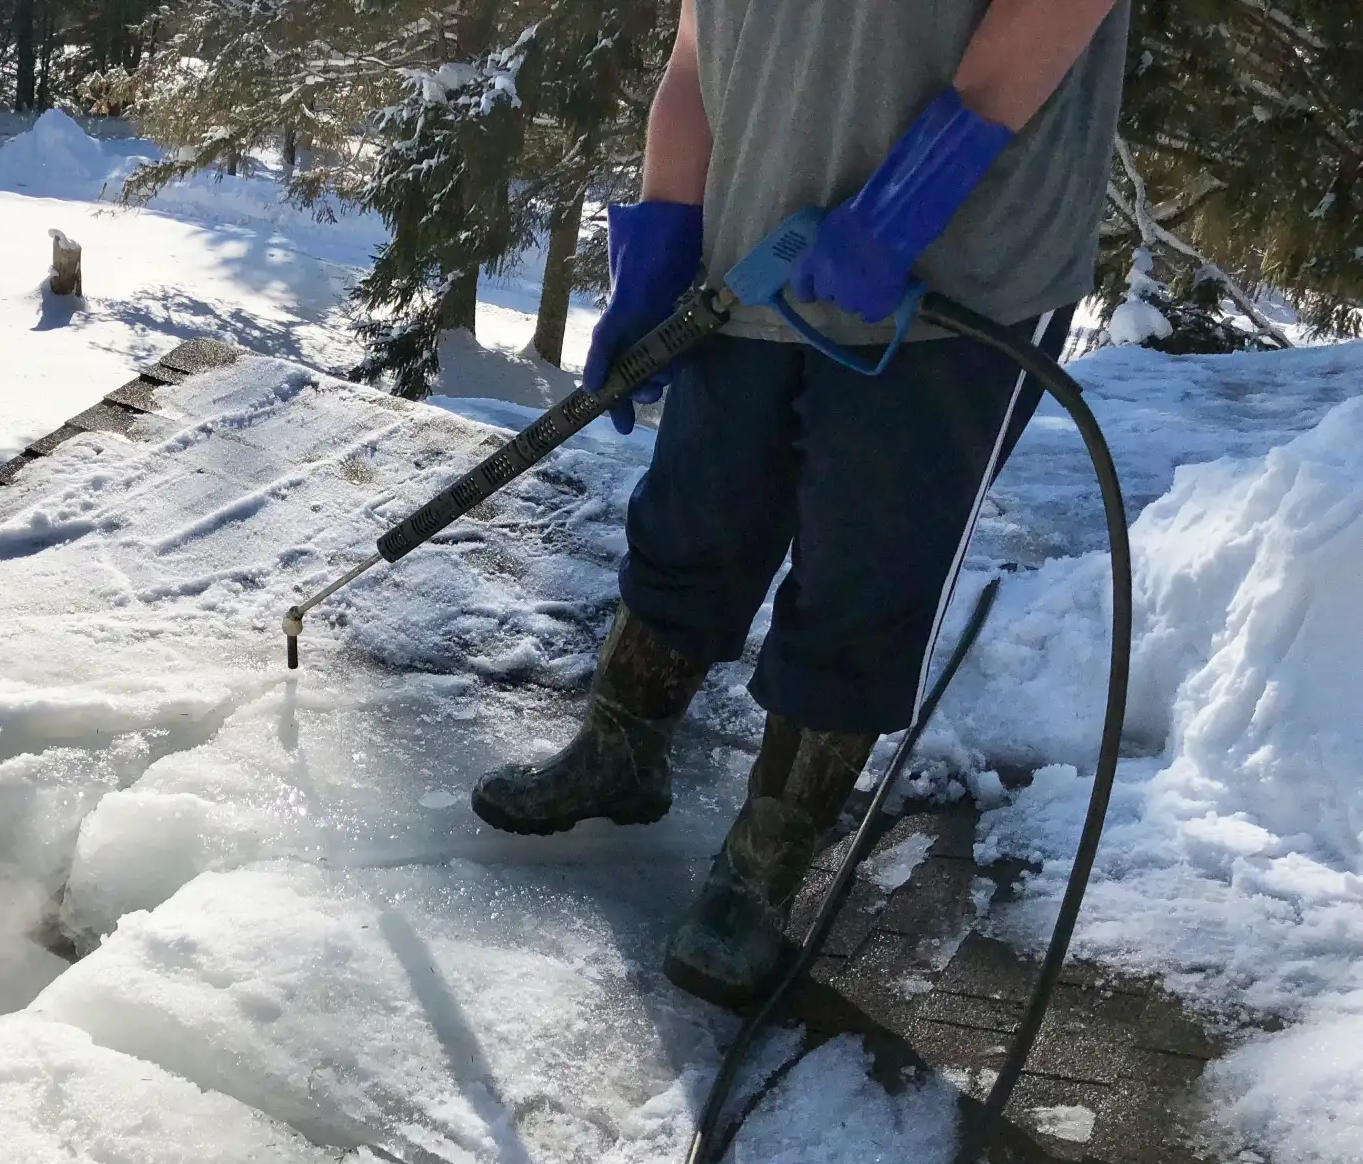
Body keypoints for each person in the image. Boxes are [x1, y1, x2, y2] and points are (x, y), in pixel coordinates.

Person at [470, 0, 1129, 1009]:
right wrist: (665, 235)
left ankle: (762, 865)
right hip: (756, 250)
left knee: (864, 573)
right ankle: (620, 748)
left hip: (953, 280)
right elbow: (702, 45)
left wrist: (913, 197)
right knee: (696, 511)